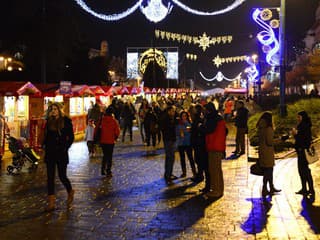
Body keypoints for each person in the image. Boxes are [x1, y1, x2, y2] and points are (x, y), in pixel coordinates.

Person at [42, 103, 75, 211]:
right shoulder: (49, 121)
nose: (53, 111)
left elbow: (71, 137)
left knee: (62, 176)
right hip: (50, 152)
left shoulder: (66, 121)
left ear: (59, 110)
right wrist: (44, 145)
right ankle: (51, 203)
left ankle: (70, 191)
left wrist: (65, 147)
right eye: (52, 109)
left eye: (55, 109)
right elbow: (47, 136)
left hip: (61, 153)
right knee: (50, 178)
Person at [202, 102, 227, 199]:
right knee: (217, 170)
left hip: (214, 146)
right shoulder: (218, 118)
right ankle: (219, 189)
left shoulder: (213, 119)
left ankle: (216, 190)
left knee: (214, 170)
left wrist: (200, 127)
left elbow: (208, 130)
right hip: (217, 146)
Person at [256, 111, 281, 198]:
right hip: (268, 152)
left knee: (268, 170)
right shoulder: (268, 128)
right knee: (268, 171)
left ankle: (270, 187)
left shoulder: (261, 127)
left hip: (262, 151)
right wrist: (281, 139)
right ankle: (265, 188)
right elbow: (270, 142)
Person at [292, 111, 315, 196]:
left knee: (304, 170)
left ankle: (309, 189)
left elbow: (302, 138)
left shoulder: (303, 126)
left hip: (302, 150)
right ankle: (306, 188)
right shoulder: (305, 125)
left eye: (299, 117)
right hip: (302, 150)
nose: (298, 119)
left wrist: (295, 134)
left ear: (303, 117)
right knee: (304, 170)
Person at [190, 104, 209, 191]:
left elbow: (200, 131)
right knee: (198, 160)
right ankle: (199, 175)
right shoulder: (197, 119)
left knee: (201, 161)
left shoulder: (199, 120)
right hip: (197, 143)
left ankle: (202, 178)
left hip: (200, 144)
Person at [98, 107, 120, 177]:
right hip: (111, 141)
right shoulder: (114, 121)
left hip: (103, 141)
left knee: (105, 155)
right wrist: (115, 137)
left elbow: (96, 130)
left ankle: (102, 169)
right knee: (109, 156)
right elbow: (117, 131)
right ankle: (108, 171)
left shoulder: (101, 120)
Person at [159, 105, 177, 184]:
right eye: (173, 111)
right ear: (169, 111)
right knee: (170, 157)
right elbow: (168, 128)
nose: (174, 112)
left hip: (169, 139)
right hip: (169, 139)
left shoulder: (167, 118)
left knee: (169, 157)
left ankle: (168, 173)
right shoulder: (166, 119)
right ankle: (168, 174)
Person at [176, 111, 196, 178]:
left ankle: (194, 172)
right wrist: (182, 132)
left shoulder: (189, 123)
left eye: (185, 116)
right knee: (182, 158)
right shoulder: (178, 123)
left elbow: (190, 131)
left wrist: (185, 130)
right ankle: (184, 172)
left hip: (188, 143)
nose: (184, 117)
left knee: (190, 158)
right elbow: (177, 132)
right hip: (181, 143)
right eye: (182, 116)